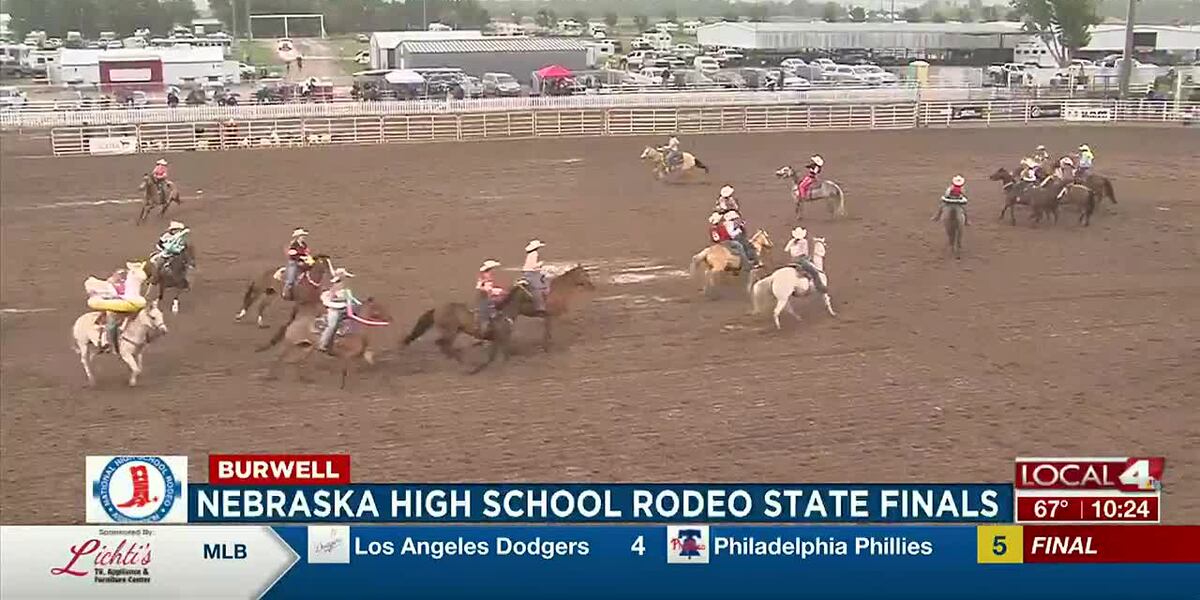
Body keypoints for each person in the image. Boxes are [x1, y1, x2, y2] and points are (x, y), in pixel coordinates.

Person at [317, 268, 359, 353]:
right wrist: (343, 299)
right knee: (332, 326)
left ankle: (344, 331)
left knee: (355, 316)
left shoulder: (346, 288)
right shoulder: (335, 288)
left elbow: (351, 298)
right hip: (334, 309)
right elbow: (331, 299)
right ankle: (322, 344)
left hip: (345, 308)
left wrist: (359, 303)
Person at [784, 227, 827, 294]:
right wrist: (809, 258)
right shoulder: (803, 241)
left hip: (792, 260)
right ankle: (820, 287)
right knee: (815, 272)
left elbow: (786, 250)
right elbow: (805, 253)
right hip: (801, 260)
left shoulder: (792, 242)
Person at [476, 260, 507, 333]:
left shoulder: (487, 277)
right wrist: (497, 291)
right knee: (491, 311)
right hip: (486, 298)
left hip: (489, 296)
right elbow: (481, 287)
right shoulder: (483, 278)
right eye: (491, 270)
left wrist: (498, 291)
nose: (492, 271)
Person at [282, 228, 313, 300]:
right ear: (298, 236)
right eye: (302, 236)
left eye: (304, 236)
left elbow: (306, 253)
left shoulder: (304, 245)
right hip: (293, 262)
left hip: (302, 262)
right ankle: (285, 291)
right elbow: (292, 254)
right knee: (291, 279)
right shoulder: (294, 244)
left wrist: (308, 258)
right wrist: (301, 257)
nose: (303, 237)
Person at [521, 240, 549, 315]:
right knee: (538, 289)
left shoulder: (530, 254)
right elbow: (533, 266)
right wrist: (539, 265)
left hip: (528, 272)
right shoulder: (534, 254)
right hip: (531, 273)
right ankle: (540, 307)